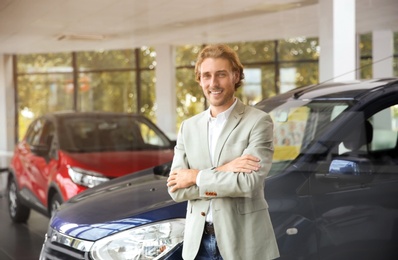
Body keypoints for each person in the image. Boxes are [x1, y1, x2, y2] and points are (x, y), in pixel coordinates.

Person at [167, 44, 279, 260]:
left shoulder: (258, 122)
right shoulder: (188, 127)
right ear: (199, 80)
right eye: (206, 76)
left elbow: (248, 183)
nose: (213, 83)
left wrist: (195, 176)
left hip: (244, 244)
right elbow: (176, 190)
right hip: (197, 246)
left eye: (221, 75)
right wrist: (224, 170)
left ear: (235, 76)